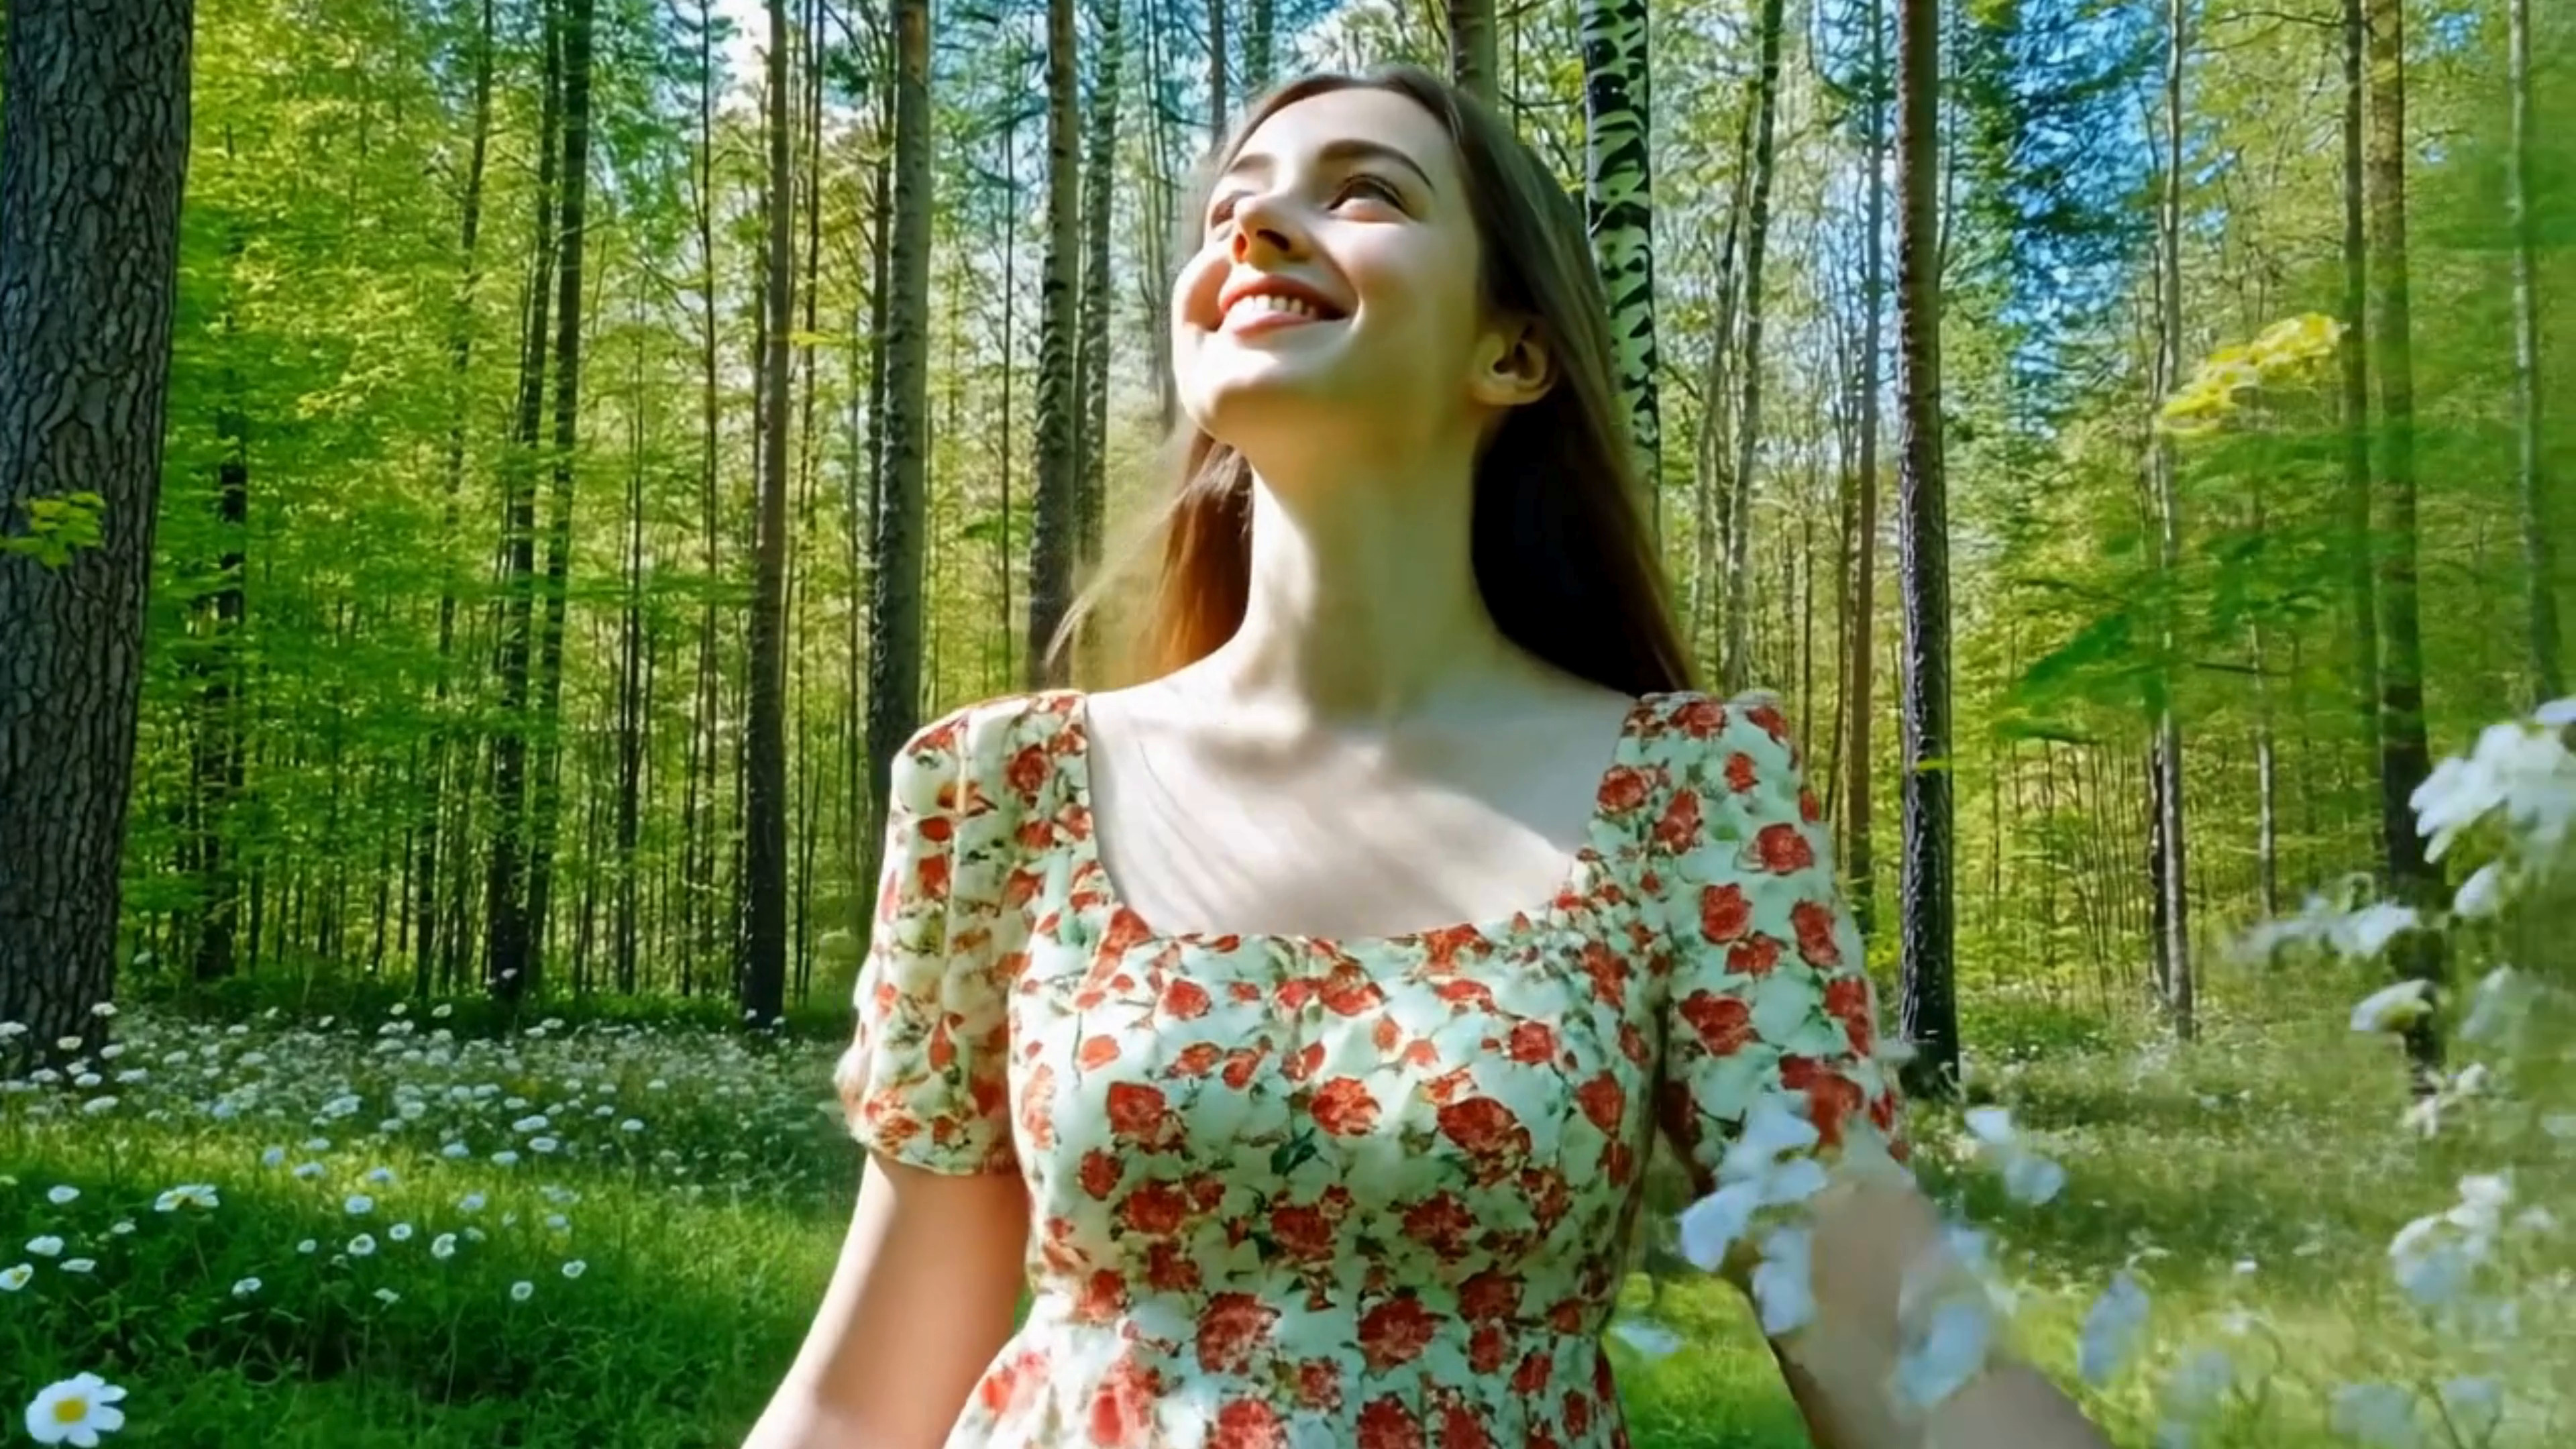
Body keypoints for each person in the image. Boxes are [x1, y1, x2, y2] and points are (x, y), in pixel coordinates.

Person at [745, 62, 2111, 1449]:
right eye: (1232, 209)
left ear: (1511, 352)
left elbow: (1902, 1360)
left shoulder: (1688, 799)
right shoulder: (1000, 796)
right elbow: (869, 1392)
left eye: (1363, 193)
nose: (1256, 234)